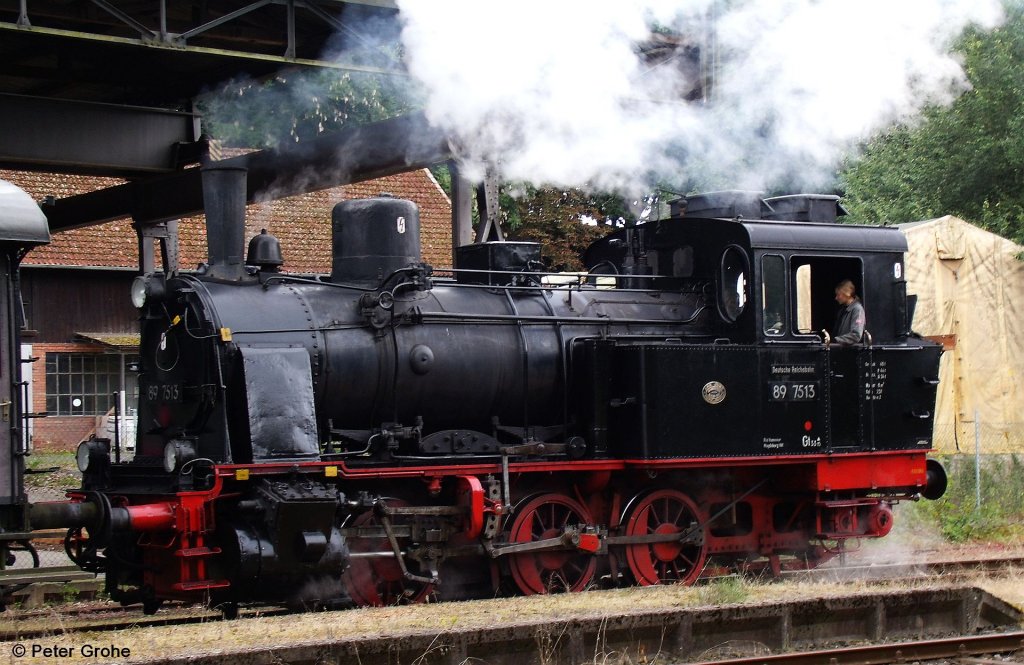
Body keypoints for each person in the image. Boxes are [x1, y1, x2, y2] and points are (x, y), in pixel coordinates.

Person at [832, 279, 865, 345]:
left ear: (847, 294)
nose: (836, 298)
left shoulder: (857, 309)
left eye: (838, 295)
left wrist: (836, 340)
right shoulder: (842, 311)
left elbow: (856, 335)